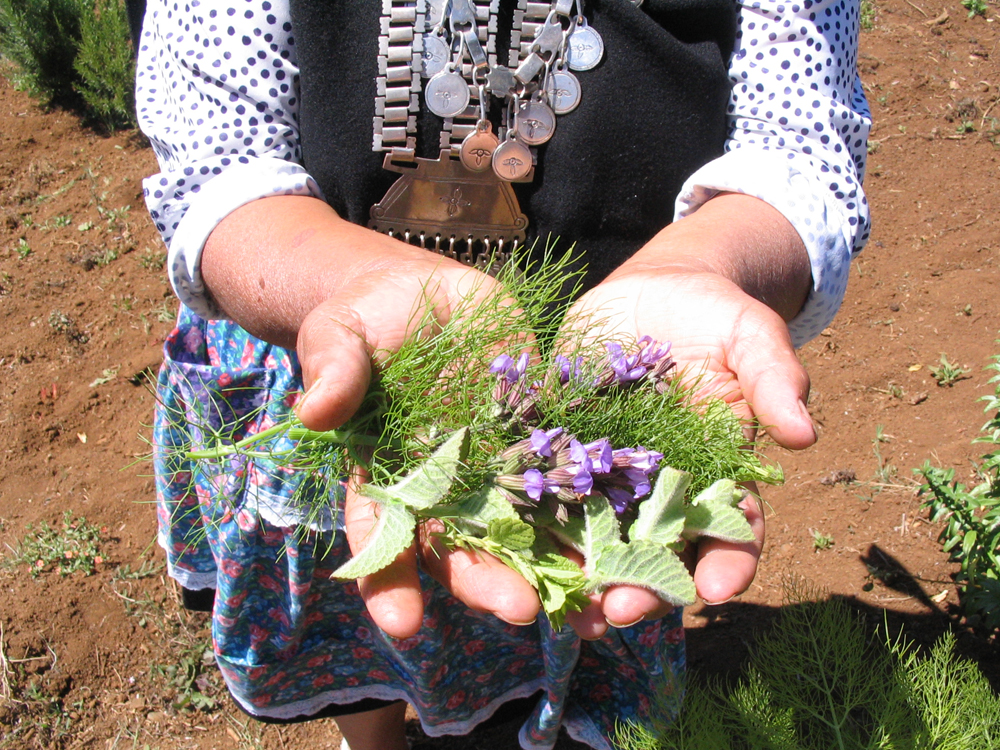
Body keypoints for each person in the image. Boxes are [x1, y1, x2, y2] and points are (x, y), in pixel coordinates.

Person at [137, 1, 871, 748]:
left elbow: (799, 145)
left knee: (561, 591)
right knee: (357, 601)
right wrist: (341, 282)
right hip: (333, 345)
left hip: (597, 362)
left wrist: (705, 262)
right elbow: (221, 166)